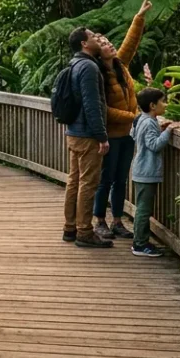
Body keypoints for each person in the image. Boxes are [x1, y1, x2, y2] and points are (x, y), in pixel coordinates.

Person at [93, 0, 152, 241]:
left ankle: (117, 220)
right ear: (97, 51)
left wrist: (139, 17)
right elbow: (103, 109)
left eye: (108, 41)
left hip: (127, 135)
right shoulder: (98, 73)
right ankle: (100, 221)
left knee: (120, 179)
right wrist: (133, 116)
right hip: (111, 135)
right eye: (105, 43)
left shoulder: (120, 66)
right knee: (105, 179)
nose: (110, 45)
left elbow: (130, 43)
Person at [61, 27, 112, 248]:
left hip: (73, 132)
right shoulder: (89, 67)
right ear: (84, 43)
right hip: (87, 134)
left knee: (74, 181)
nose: (97, 40)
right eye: (92, 37)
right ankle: (84, 231)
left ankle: (70, 227)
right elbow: (92, 105)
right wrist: (101, 135)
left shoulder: (74, 64)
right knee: (88, 183)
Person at [130, 88, 175, 258]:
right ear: (152, 105)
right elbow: (154, 145)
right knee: (144, 209)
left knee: (143, 208)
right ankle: (140, 244)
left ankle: (140, 241)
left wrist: (160, 129)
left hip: (141, 170)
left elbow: (135, 135)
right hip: (146, 171)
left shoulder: (142, 119)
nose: (166, 104)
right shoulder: (149, 122)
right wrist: (168, 132)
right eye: (163, 101)